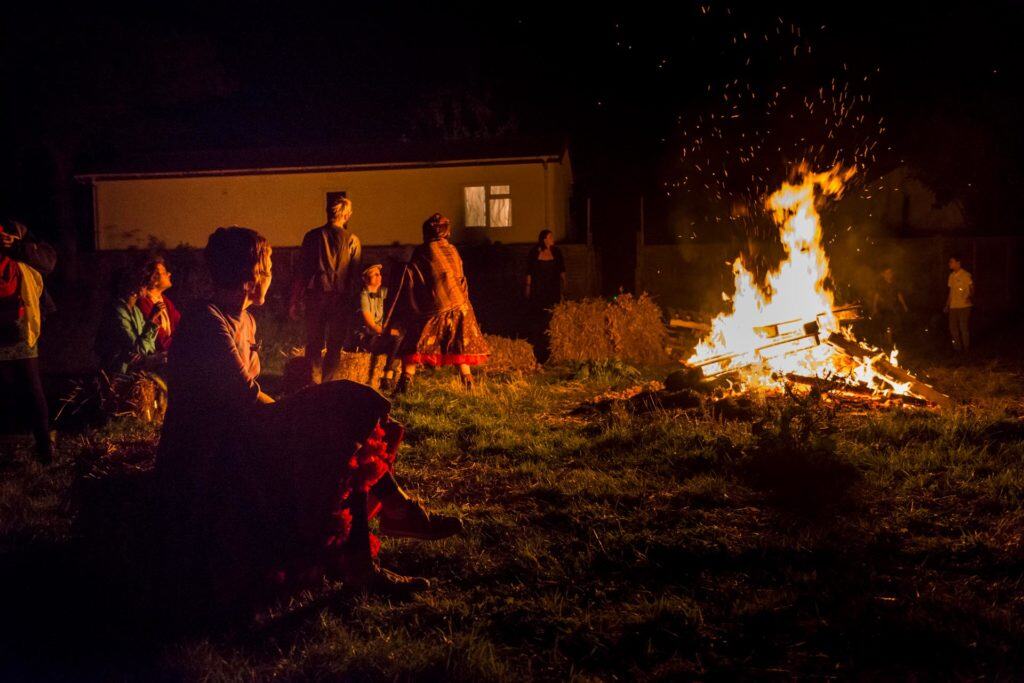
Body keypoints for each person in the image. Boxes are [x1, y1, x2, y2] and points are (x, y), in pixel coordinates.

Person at [156, 226, 460, 613]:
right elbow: (245, 400)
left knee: (341, 426)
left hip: (244, 432)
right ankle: (390, 524)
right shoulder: (208, 322)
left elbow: (251, 397)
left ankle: (380, 535)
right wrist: (306, 407)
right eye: (267, 267)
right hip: (211, 447)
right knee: (338, 414)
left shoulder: (244, 320)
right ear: (251, 276)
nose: (272, 275)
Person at [389, 214, 489, 393]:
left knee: (413, 343)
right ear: (446, 231)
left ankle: (404, 385)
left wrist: (413, 307)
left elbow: (413, 279)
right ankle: (468, 383)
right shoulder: (452, 249)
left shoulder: (423, 251)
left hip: (437, 306)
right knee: (459, 344)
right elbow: (461, 279)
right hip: (461, 305)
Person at [0, 219, 56, 463]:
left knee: (32, 386)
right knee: (7, 387)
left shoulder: (15, 230)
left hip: (21, 321)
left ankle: (44, 448)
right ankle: (13, 444)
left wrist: (17, 246)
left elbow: (48, 261)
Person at [290, 194, 362, 383]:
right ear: (347, 215)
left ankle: (313, 384)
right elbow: (354, 277)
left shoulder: (312, 236)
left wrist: (294, 300)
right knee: (334, 345)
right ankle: (328, 384)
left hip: (316, 296)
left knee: (314, 343)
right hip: (340, 298)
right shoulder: (353, 240)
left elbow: (302, 271)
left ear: (328, 213)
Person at [94, 264, 167, 375]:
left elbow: (148, 347)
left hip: (132, 373)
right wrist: (152, 319)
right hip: (117, 376)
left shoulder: (136, 311)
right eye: (144, 284)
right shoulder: (117, 312)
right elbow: (138, 349)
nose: (147, 287)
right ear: (132, 288)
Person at [349, 263, 402, 389]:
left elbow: (398, 295)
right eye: (375, 274)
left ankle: (389, 376)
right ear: (365, 278)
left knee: (402, 338)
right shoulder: (362, 296)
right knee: (396, 338)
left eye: (380, 274)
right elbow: (370, 324)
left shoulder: (383, 292)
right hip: (365, 337)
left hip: (378, 336)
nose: (379, 277)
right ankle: (387, 376)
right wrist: (388, 332)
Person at [524, 229, 566, 363]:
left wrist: (564, 285)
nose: (552, 238)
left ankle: (551, 345)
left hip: (552, 289)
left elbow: (561, 270)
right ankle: (537, 346)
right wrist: (528, 287)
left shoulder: (556, 252)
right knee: (538, 317)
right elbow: (529, 271)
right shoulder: (534, 252)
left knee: (551, 315)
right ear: (544, 239)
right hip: (538, 289)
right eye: (550, 237)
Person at [136, 255, 180, 352]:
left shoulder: (166, 301)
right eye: (164, 273)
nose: (169, 273)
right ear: (153, 279)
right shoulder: (143, 303)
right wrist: (180, 350)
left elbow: (181, 325)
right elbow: (159, 340)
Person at [870, 266, 908, 351]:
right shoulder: (881, 285)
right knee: (885, 326)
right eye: (887, 273)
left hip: (893, 308)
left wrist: (904, 305)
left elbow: (899, 295)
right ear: (883, 275)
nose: (889, 274)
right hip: (884, 308)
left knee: (893, 326)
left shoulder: (895, 284)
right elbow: (876, 296)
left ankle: (890, 342)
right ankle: (886, 343)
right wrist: (874, 307)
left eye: (890, 273)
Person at [945, 255, 973, 353]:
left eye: (951, 262)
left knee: (963, 327)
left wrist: (969, 297)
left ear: (958, 263)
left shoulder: (966, 275)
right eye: (949, 262)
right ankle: (958, 348)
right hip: (953, 306)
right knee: (953, 327)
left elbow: (972, 288)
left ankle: (966, 348)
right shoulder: (951, 276)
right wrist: (947, 305)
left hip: (964, 306)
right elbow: (951, 292)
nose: (949, 264)